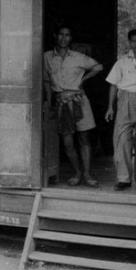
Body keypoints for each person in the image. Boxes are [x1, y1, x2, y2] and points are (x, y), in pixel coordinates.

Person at [42, 25, 103, 187]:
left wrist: (83, 80)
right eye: (61, 34)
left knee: (84, 138)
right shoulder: (47, 57)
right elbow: (47, 82)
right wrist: (49, 103)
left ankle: (87, 174)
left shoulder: (78, 56)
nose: (64, 38)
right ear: (55, 36)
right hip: (61, 102)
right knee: (67, 142)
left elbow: (98, 66)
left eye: (67, 35)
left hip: (79, 100)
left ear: (71, 38)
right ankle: (77, 172)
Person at [104, 28, 136, 191]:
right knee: (122, 139)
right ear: (129, 43)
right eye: (133, 41)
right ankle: (123, 178)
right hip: (125, 99)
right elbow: (113, 85)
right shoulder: (122, 62)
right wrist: (110, 107)